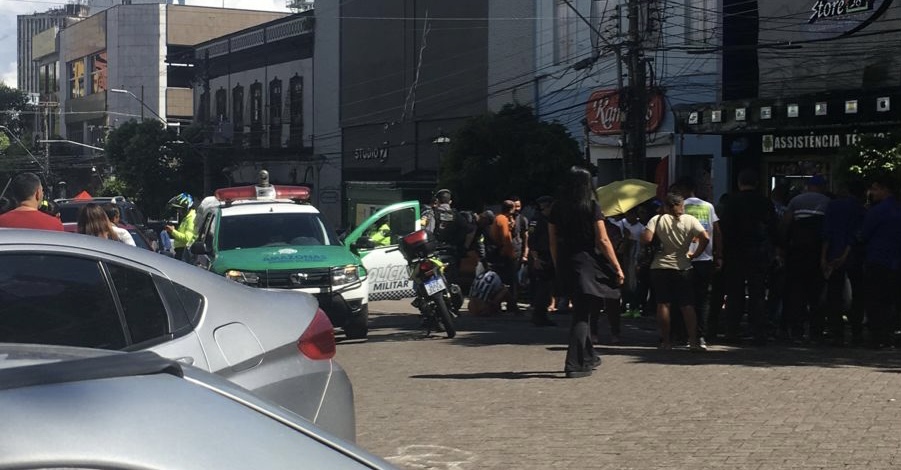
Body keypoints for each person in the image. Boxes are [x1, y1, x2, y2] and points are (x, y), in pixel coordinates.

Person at [549, 167, 624, 379]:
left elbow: (552, 242)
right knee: (582, 314)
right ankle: (574, 363)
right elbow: (603, 239)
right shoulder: (591, 207)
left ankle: (589, 355)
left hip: (565, 260)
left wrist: (558, 266)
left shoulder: (557, 208)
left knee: (584, 310)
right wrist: (617, 266)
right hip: (586, 261)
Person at [718, 169, 779, 345]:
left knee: (734, 292)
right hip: (758, 251)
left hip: (735, 252)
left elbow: (725, 228)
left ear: (739, 183)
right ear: (757, 183)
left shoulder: (731, 201)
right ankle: (758, 331)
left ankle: (732, 330)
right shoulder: (764, 202)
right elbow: (773, 227)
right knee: (757, 293)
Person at [642, 192, 709, 351]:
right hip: (683, 266)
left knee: (663, 303)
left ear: (665, 206)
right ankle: (693, 341)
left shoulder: (657, 220)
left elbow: (646, 239)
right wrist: (695, 254)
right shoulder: (690, 220)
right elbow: (705, 238)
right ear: (681, 206)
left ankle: (666, 341)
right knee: (687, 305)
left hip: (660, 266)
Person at [782, 175, 832, 343]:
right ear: (823, 187)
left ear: (808, 186)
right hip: (817, 254)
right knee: (817, 294)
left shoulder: (796, 201)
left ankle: (796, 331)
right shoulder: (827, 202)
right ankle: (816, 332)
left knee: (797, 293)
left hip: (797, 254)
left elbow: (786, 224)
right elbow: (828, 232)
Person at [674, 176, 722, 349]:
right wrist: (719, 254)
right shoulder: (708, 207)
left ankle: (684, 335)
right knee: (702, 300)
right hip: (705, 258)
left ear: (684, 190)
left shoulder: (679, 207)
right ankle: (700, 335)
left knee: (684, 299)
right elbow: (716, 231)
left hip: (684, 258)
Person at [820, 179, 867, 346]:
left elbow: (827, 232)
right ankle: (856, 332)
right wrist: (847, 253)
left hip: (833, 254)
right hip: (854, 256)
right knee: (858, 295)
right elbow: (858, 234)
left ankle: (837, 333)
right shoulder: (860, 209)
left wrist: (824, 257)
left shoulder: (833, 206)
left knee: (834, 295)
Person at [860, 176, 901, 349]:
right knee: (894, 300)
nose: (872, 192)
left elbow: (864, 234)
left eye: (875, 189)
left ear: (885, 190)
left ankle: (878, 337)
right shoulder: (897, 209)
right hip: (896, 261)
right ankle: (892, 335)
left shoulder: (877, 211)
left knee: (876, 300)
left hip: (878, 260)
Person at [527, 195, 556, 326]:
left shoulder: (547, 219)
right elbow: (532, 241)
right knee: (542, 288)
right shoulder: (537, 220)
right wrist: (536, 259)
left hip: (548, 256)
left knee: (547, 288)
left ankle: (542, 314)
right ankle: (539, 316)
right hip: (540, 256)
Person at [490, 200, 519, 313]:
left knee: (502, 281)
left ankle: (499, 304)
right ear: (511, 209)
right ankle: (512, 305)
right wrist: (511, 255)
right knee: (510, 282)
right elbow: (506, 239)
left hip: (498, 254)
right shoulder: (502, 220)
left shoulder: (498, 218)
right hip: (504, 255)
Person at [165, 192, 197, 261]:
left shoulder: (191, 219)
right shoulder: (186, 218)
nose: (179, 212)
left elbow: (187, 239)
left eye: (181, 209)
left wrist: (172, 231)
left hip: (184, 252)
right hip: (181, 251)